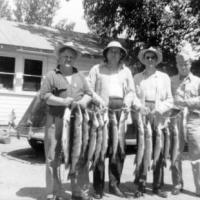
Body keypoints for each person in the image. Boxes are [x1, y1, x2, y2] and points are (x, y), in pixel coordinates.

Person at [40, 42, 93, 200]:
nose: (68, 59)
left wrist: (84, 101)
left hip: (77, 122)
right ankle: (53, 192)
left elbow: (89, 94)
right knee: (52, 156)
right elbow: (45, 96)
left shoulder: (80, 77)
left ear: (74, 58)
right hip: (55, 120)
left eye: (71, 56)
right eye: (65, 56)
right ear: (59, 58)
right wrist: (63, 102)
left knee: (79, 153)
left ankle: (80, 191)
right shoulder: (52, 75)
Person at [87, 40, 139, 199]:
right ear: (106, 53)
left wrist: (127, 102)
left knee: (119, 149)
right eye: (111, 51)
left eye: (117, 52)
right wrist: (99, 100)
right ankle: (98, 187)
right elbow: (88, 88)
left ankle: (114, 185)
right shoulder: (97, 69)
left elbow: (131, 91)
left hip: (121, 113)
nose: (114, 54)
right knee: (100, 148)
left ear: (121, 54)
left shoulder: (126, 71)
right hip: (102, 112)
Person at [133, 46, 173, 198]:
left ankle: (157, 186)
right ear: (143, 59)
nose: (150, 60)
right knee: (142, 152)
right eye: (147, 57)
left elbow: (170, 100)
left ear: (157, 60)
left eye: (153, 57)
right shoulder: (137, 77)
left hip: (159, 118)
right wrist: (139, 107)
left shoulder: (164, 77)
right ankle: (140, 185)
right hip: (143, 118)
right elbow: (133, 97)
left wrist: (159, 109)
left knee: (159, 153)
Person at [171, 41, 200, 197]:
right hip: (176, 119)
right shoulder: (172, 80)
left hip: (194, 120)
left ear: (190, 64)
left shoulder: (197, 81)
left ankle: (199, 187)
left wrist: (186, 102)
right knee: (176, 153)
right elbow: (168, 99)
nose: (183, 66)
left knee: (197, 155)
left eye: (186, 63)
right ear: (176, 64)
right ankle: (177, 183)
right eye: (180, 63)